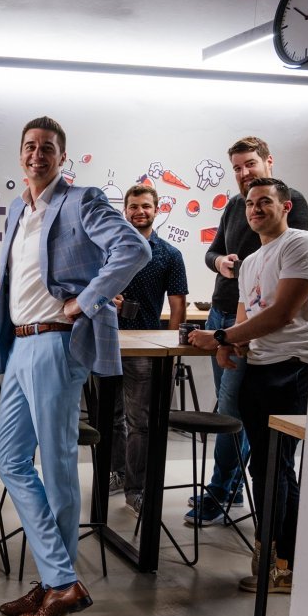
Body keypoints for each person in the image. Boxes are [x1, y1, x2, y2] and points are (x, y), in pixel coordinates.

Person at [0, 116, 149, 616]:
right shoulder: (21, 211)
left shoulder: (81, 200)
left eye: (47, 148)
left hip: (55, 343)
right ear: (19, 154)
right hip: (19, 346)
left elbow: (135, 248)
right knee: (12, 461)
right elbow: (14, 288)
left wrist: (86, 301)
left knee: (58, 465)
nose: (36, 154)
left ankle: (58, 582)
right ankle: (59, 578)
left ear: (61, 156)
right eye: (29, 147)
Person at [190, 177, 308, 594]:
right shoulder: (250, 261)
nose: (255, 209)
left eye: (265, 202)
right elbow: (246, 317)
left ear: (285, 207)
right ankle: (282, 560)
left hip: (294, 368)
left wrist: (223, 338)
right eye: (250, 203)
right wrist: (233, 346)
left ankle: (281, 564)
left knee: (276, 468)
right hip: (260, 369)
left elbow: (282, 314)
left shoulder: (302, 245)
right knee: (267, 467)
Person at [108, 183, 188, 516]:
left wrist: (168, 350)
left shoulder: (170, 254)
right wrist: (105, 298)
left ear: (156, 211)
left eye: (146, 206)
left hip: (144, 346)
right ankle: (117, 472)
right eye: (134, 206)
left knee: (139, 421)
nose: (140, 211)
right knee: (110, 418)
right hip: (106, 343)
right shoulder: (108, 248)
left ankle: (136, 489)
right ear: (124, 211)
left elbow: (178, 305)